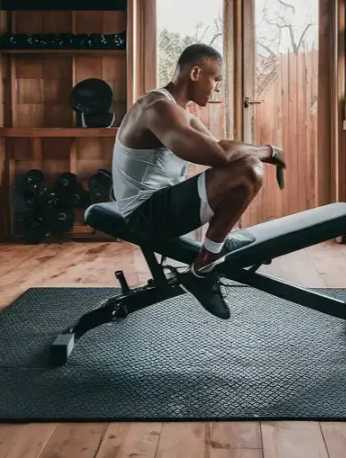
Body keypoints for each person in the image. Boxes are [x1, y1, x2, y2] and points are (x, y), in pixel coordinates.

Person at [112, 43, 286, 319]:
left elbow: (222, 149)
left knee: (244, 166)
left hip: (159, 206)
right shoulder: (158, 108)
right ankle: (203, 269)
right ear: (195, 72)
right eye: (215, 78)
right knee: (249, 170)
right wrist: (267, 151)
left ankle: (212, 252)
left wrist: (262, 152)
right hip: (145, 215)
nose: (216, 87)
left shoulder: (179, 113)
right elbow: (217, 155)